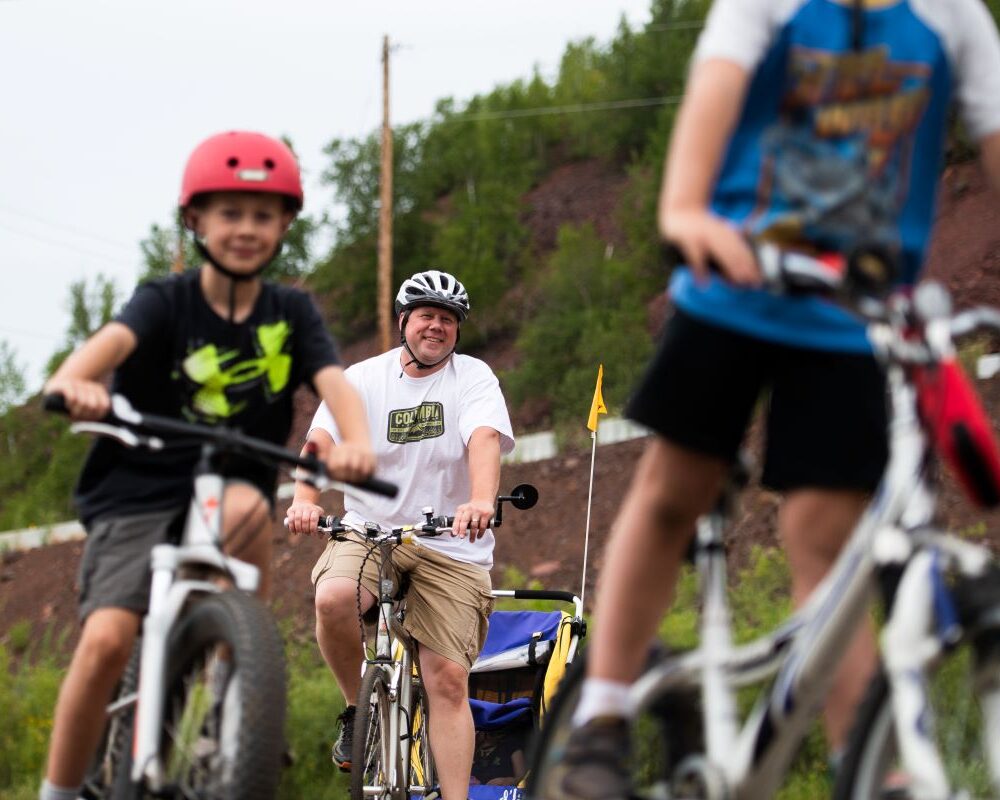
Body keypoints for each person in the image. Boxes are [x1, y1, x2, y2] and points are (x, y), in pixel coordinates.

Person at [546, 1, 1000, 798]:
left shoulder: (952, 16)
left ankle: (870, 770)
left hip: (855, 320)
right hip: (735, 286)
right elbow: (715, 88)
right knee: (672, 492)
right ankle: (603, 716)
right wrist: (684, 209)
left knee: (830, 545)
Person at [38, 130, 376, 800]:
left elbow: (334, 383)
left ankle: (238, 680)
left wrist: (357, 441)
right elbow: (109, 344)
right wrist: (74, 382)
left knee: (250, 506)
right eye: (230, 213)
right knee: (107, 641)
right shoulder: (166, 301)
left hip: (232, 478)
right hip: (141, 481)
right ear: (195, 220)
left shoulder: (290, 312)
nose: (246, 228)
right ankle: (58, 791)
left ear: (284, 225)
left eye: (262, 215)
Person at [285, 269, 515, 800]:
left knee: (447, 680)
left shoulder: (473, 377)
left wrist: (481, 501)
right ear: (403, 321)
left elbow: (483, 438)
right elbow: (320, 441)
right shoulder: (362, 379)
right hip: (369, 530)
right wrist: (305, 499)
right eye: (427, 316)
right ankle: (356, 711)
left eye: (448, 319)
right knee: (334, 597)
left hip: (449, 543)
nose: (437, 326)